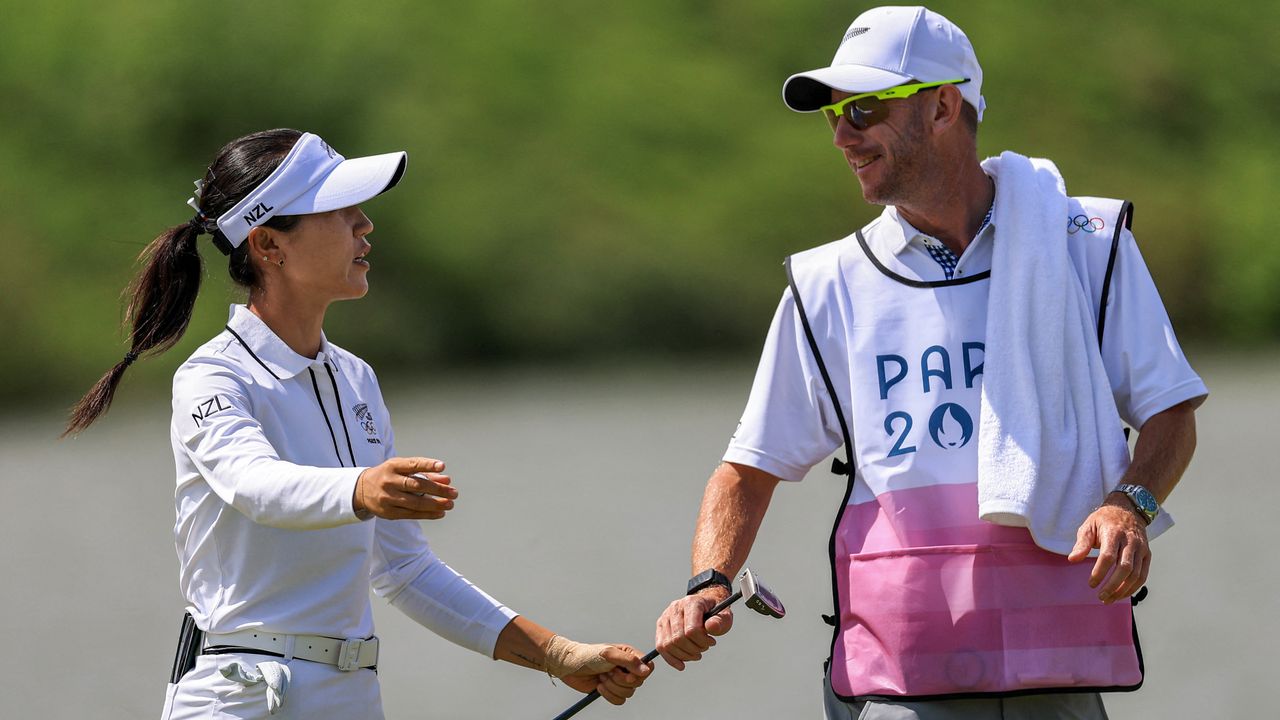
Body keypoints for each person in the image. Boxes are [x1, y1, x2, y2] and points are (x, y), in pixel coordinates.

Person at [653, 7, 1207, 719]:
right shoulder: (827, 284)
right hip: (900, 677)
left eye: (865, 108)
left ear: (944, 105)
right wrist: (706, 581)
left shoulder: (1088, 244)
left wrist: (1130, 506)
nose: (842, 135)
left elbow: (1171, 410)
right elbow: (747, 467)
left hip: (1057, 663)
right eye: (833, 116)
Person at [65, 128, 652, 719]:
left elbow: (403, 568)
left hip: (350, 698)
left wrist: (557, 653)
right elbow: (254, 484)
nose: (365, 224)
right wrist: (362, 488)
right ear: (269, 245)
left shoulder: (356, 379)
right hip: (238, 697)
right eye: (339, 210)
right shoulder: (212, 378)